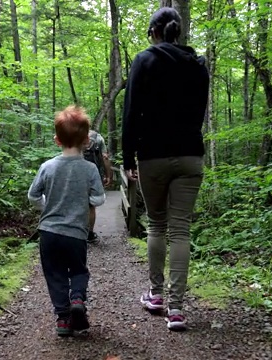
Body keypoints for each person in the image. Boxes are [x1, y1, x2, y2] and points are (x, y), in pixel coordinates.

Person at [121, 7, 209, 331]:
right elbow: (198, 112)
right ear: (177, 31)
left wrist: (128, 157)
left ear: (154, 32)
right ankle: (177, 310)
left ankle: (155, 295)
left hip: (153, 155)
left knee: (157, 225)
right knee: (181, 229)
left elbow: (130, 113)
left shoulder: (144, 61)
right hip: (190, 155)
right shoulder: (199, 65)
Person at [28, 105, 106, 337]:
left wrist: (49, 205)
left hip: (49, 233)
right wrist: (82, 202)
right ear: (86, 141)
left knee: (55, 274)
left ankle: (63, 319)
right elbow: (99, 198)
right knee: (79, 271)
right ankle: (78, 299)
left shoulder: (47, 167)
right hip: (76, 233)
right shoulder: (90, 168)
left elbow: (33, 196)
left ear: (56, 140)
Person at [83, 129, 113, 243]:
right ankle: (90, 234)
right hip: (94, 174)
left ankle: (76, 231)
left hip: (76, 173)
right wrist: (108, 175)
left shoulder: (75, 135)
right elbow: (105, 157)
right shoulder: (98, 138)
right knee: (91, 206)